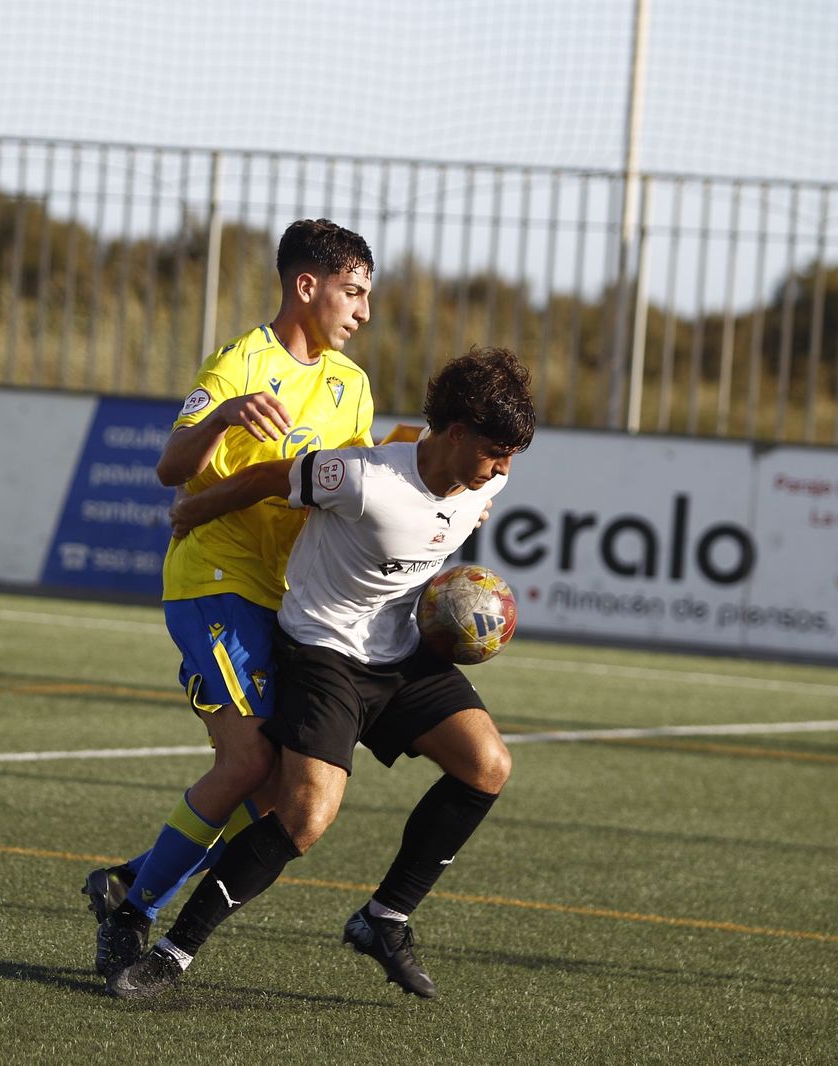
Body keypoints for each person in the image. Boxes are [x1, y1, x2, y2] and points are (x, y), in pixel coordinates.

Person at [107, 347, 535, 1001]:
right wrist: (199, 510)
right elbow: (271, 477)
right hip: (324, 653)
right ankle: (172, 953)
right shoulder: (365, 478)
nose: (504, 468)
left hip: (400, 650)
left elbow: (461, 509)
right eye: (496, 451)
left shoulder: (487, 481)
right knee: (306, 813)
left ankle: (384, 919)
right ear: (456, 433)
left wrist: (473, 515)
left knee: (488, 765)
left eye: (512, 456)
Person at [85, 219, 376, 978]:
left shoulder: (352, 387)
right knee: (246, 759)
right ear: (305, 286)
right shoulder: (239, 363)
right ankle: (135, 913)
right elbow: (169, 468)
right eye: (353, 292)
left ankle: (131, 877)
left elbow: (347, 488)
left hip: (287, 597)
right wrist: (220, 415)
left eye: (368, 295)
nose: (364, 312)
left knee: (284, 784)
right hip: (213, 580)